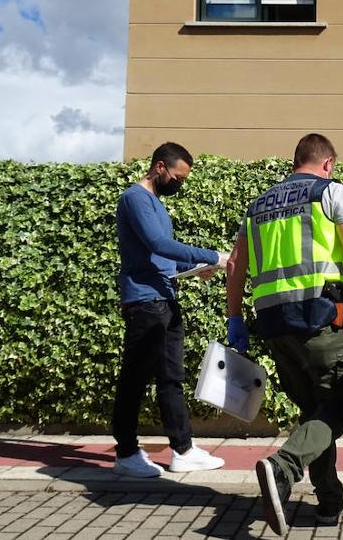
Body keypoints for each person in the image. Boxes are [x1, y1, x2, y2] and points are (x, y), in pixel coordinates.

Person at [224, 133, 343, 535]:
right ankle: (282, 468)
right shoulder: (330, 193)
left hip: (273, 327)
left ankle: (329, 503)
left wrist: (235, 319)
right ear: (328, 162)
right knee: (342, 401)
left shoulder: (259, 204)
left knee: (314, 414)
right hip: (318, 321)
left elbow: (235, 266)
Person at [111, 141, 229, 478]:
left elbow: (162, 257)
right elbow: (158, 244)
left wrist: (194, 269)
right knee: (134, 378)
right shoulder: (135, 198)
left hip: (164, 297)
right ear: (160, 167)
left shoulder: (156, 204)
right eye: (177, 178)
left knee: (170, 378)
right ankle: (126, 453)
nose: (179, 184)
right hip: (145, 302)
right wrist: (213, 257)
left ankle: (183, 450)